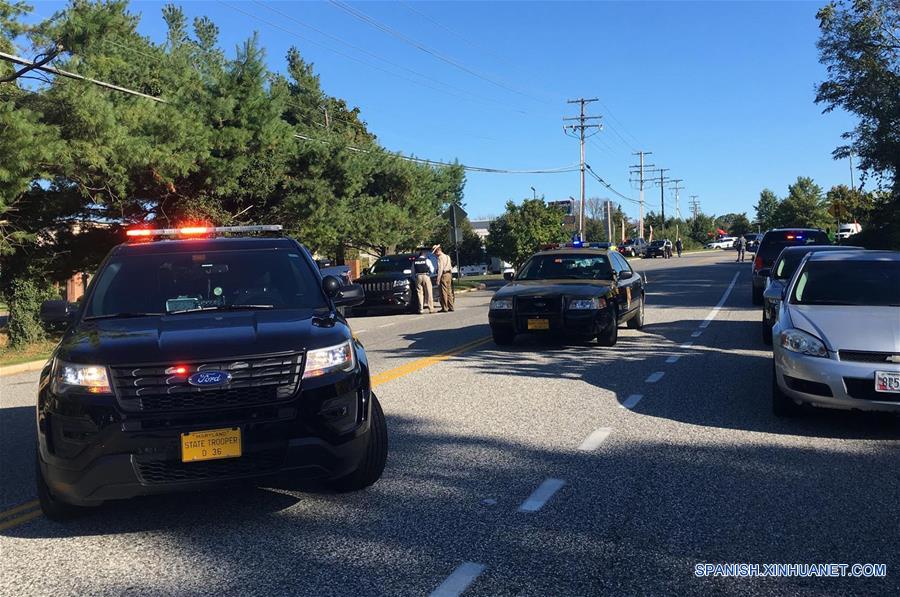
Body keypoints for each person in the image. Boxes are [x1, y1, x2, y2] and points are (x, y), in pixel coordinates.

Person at [432, 244, 454, 312]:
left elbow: (440, 269)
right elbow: (450, 266)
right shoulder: (447, 256)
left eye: (435, 252)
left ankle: (445, 307)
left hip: (443, 275)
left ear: (438, 251)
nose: (435, 254)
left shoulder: (440, 258)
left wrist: (438, 279)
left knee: (443, 292)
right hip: (449, 274)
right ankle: (451, 306)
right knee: (449, 291)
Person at [413, 249, 435, 314]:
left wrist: (415, 278)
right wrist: (430, 274)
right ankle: (431, 308)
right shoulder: (427, 260)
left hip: (418, 276)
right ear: (424, 255)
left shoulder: (415, 261)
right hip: (426, 276)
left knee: (419, 293)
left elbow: (412, 271)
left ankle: (421, 309)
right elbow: (432, 269)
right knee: (429, 292)